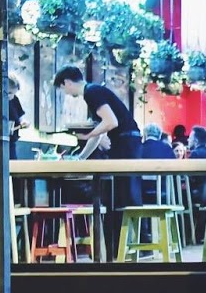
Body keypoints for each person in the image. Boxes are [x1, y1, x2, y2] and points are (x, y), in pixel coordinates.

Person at [54, 65, 141, 242]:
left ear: (67, 82)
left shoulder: (91, 92)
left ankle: (127, 242)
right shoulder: (93, 91)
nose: (66, 93)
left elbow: (111, 122)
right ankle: (124, 243)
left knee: (123, 195)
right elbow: (100, 132)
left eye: (63, 88)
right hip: (128, 142)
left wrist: (87, 135)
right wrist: (80, 158)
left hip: (126, 143)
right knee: (123, 194)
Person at [138, 122, 176, 203]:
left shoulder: (139, 148)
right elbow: (175, 171)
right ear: (159, 135)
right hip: (164, 193)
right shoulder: (167, 149)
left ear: (145, 135)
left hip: (141, 193)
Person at [7, 75, 25, 159]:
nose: (12, 96)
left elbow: (20, 118)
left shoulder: (14, 99)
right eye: (10, 93)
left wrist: (23, 123)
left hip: (12, 141)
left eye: (14, 93)